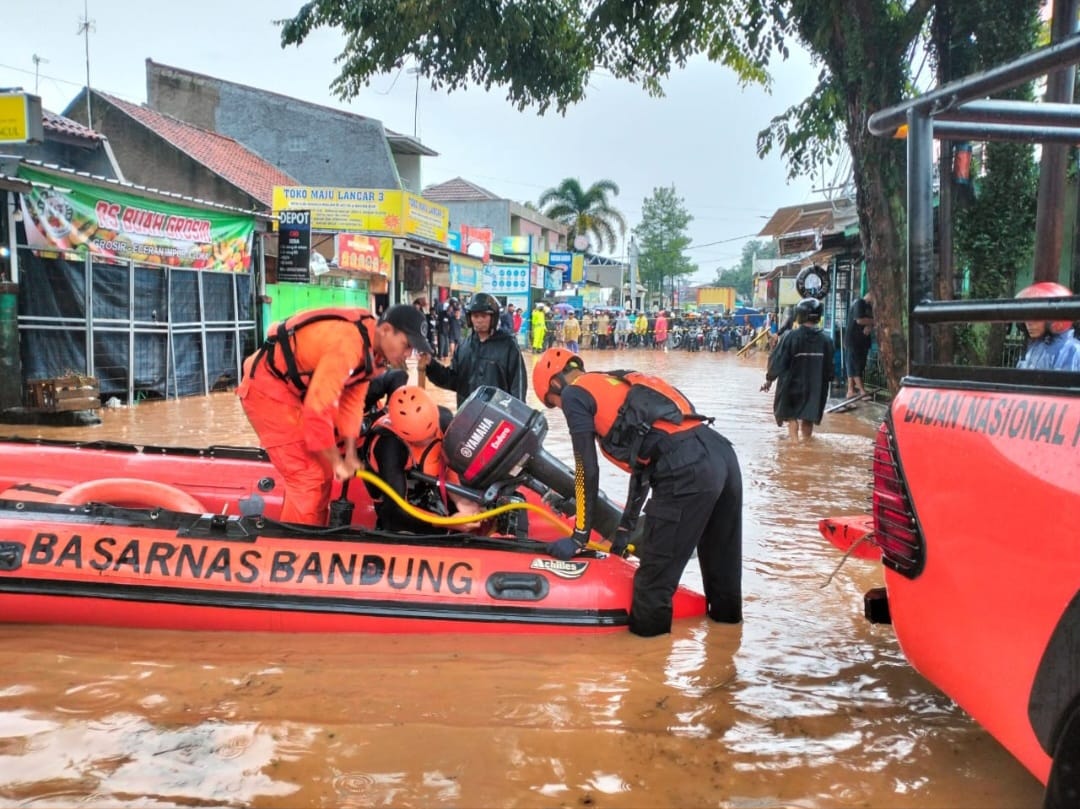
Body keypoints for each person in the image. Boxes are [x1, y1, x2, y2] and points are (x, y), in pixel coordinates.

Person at [532, 347, 743, 636]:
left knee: (652, 586)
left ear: (555, 384)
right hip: (721, 453)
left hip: (686, 469)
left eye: (552, 403)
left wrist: (579, 537)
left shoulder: (574, 394)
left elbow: (585, 469)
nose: (560, 407)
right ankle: (726, 650)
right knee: (723, 574)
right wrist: (621, 537)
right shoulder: (615, 383)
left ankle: (647, 670)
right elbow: (643, 470)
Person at [236, 304, 434, 525]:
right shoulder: (348, 345)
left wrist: (349, 453)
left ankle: (312, 536)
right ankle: (294, 549)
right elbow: (317, 411)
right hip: (267, 391)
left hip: (294, 392)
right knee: (307, 477)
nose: (408, 355)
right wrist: (336, 461)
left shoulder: (372, 354)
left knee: (321, 471)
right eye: (406, 345)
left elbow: (352, 402)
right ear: (386, 330)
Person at [362, 385, 482, 533]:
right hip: (399, 504)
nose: (428, 442)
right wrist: (447, 523)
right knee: (394, 521)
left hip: (433, 487)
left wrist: (461, 500)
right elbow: (394, 510)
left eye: (432, 434)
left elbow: (451, 465)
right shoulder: (389, 446)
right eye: (419, 442)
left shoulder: (444, 419)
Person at [421, 292, 528, 406]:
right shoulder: (464, 347)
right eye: (475, 316)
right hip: (469, 416)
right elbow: (452, 380)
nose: (479, 320)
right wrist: (431, 365)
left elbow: (518, 386)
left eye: (484, 316)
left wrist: (516, 416)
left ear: (493, 317)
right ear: (469, 318)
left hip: (498, 417)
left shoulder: (508, 346)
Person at [761, 298, 835, 441]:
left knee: (791, 416)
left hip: (791, 384)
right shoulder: (826, 340)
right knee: (808, 416)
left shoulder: (790, 337)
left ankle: (794, 445)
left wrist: (769, 380)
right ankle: (807, 446)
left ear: (799, 315)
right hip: (815, 386)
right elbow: (830, 369)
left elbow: (778, 361)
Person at [1015, 281, 1080, 371]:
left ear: (1055, 318)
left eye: (1036, 317)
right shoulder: (1035, 347)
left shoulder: (1072, 351)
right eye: (1026, 316)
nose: (1028, 323)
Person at [844, 290, 874, 398]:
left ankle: (851, 390)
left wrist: (870, 325)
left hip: (862, 341)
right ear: (870, 295)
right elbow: (860, 320)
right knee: (855, 365)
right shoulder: (859, 302)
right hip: (853, 340)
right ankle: (862, 391)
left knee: (856, 365)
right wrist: (874, 322)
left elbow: (868, 321)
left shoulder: (869, 307)